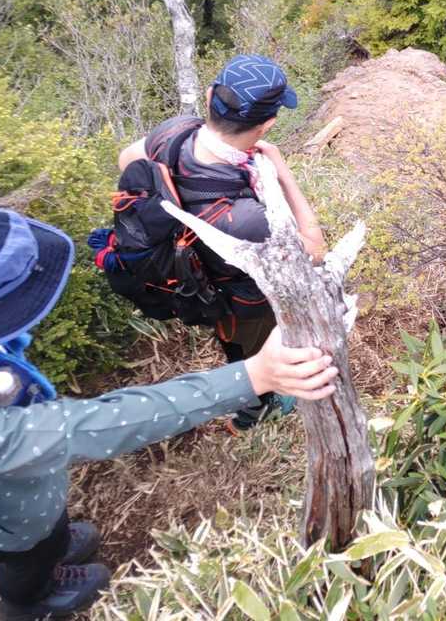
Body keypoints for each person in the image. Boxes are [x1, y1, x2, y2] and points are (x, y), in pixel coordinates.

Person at [0, 204, 337, 620]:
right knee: (29, 552)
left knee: (50, 532)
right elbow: (86, 427)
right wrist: (254, 377)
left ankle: (49, 548)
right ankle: (30, 599)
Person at [116, 54, 326, 430]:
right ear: (268, 124)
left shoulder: (176, 132)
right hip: (239, 299)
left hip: (199, 277)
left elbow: (128, 158)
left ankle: (250, 395)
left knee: (233, 342)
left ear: (210, 95)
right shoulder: (245, 219)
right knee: (250, 350)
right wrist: (283, 173)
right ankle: (252, 412)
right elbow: (315, 251)